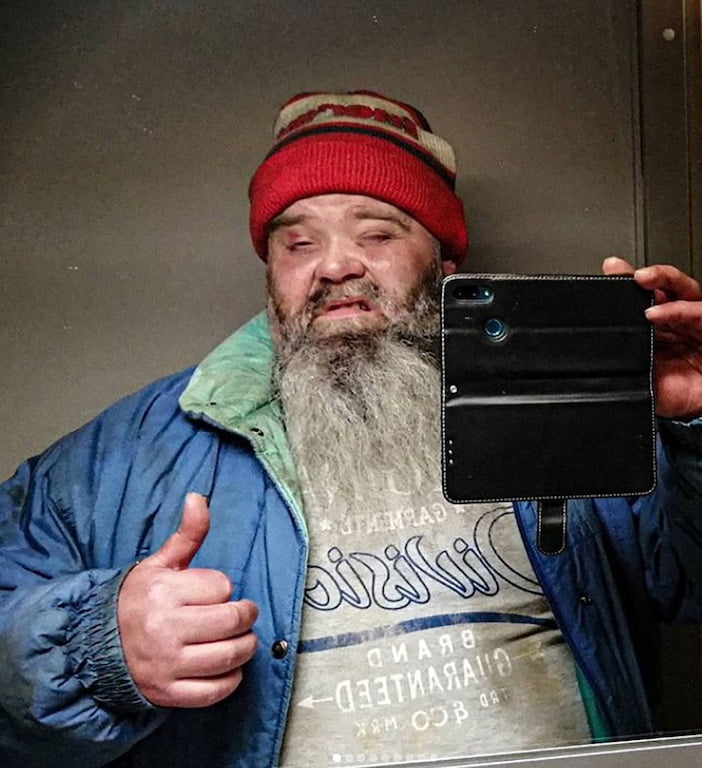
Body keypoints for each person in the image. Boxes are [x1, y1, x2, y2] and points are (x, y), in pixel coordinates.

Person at [1, 90, 702, 768]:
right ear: (270, 273)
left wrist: (698, 422)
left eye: (377, 233)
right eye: (299, 242)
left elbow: (688, 583)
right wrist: (96, 649)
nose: (335, 265)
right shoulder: (127, 457)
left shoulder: (569, 409)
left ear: (444, 264)